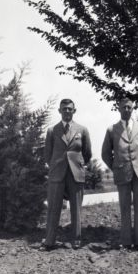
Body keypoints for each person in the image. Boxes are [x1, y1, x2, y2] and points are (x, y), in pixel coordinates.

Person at [102, 97, 138, 250]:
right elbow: (105, 153)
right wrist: (116, 166)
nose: (126, 110)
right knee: (124, 207)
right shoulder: (112, 130)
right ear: (118, 109)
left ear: (133, 109)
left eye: (129, 107)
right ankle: (126, 242)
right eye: (123, 107)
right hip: (122, 173)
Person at [42, 98, 92, 250]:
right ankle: (49, 241)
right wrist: (56, 166)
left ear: (74, 111)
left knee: (76, 208)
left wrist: (78, 165)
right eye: (64, 109)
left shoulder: (82, 130)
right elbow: (47, 154)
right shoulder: (52, 131)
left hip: (76, 174)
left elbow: (87, 153)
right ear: (59, 111)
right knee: (53, 208)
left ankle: (76, 241)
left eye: (70, 109)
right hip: (57, 174)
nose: (67, 111)